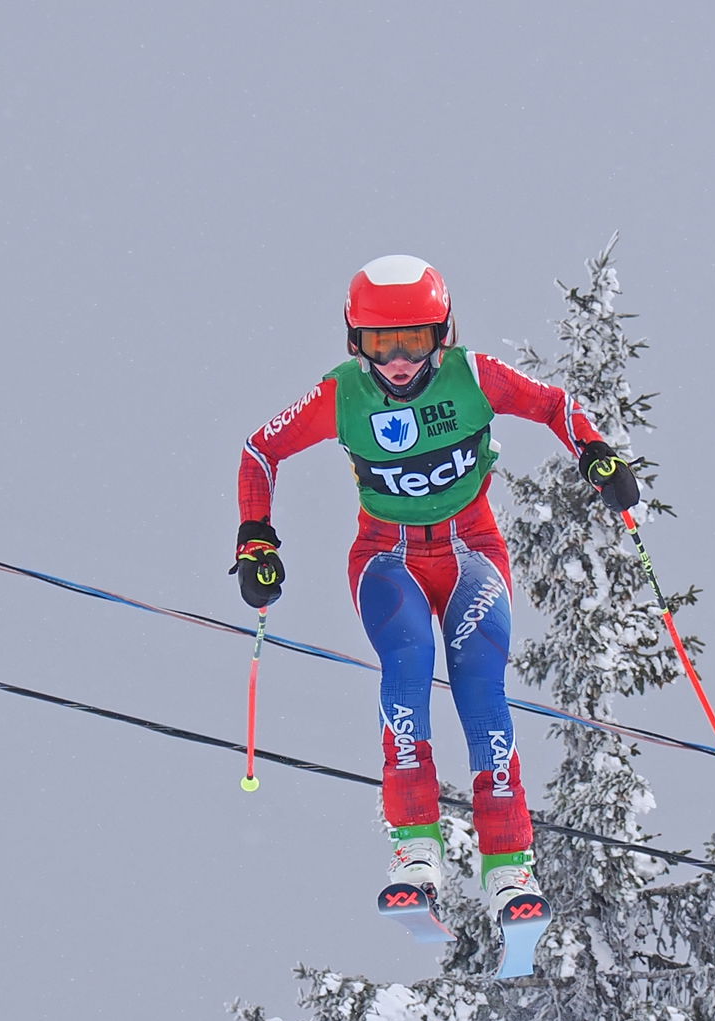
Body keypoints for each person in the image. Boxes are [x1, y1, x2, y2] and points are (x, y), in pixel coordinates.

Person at [233, 254, 641, 952]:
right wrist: (256, 538)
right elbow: (260, 451)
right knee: (408, 668)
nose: (395, 362)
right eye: (378, 345)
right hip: (386, 558)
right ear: (353, 342)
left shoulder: (474, 378)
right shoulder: (342, 396)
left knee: (482, 687)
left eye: (414, 341)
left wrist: (596, 454)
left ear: (442, 335)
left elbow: (554, 404)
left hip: (471, 549)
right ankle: (416, 849)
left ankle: (510, 865)